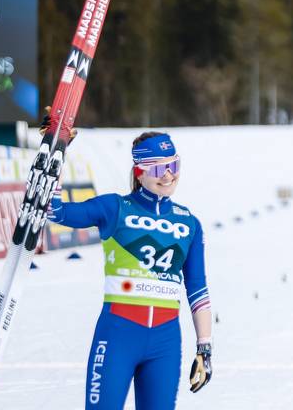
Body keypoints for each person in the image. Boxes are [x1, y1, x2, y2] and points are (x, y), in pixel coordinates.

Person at [46, 119, 213, 409]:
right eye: (160, 169)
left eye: (174, 165)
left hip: (165, 342)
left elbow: (198, 290)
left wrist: (205, 346)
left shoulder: (189, 223)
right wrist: (55, 151)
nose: (169, 175)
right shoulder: (115, 208)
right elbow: (55, 210)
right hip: (118, 335)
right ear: (139, 172)